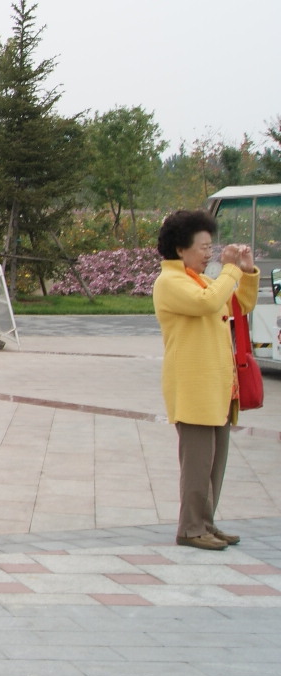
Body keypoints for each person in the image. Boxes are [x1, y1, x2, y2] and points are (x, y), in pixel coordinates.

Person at [152, 209, 258, 550]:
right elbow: (208, 303)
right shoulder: (170, 283)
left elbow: (240, 304)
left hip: (218, 387)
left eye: (211, 247)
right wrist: (229, 269)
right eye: (203, 247)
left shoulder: (202, 280)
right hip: (193, 388)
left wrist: (246, 272)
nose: (209, 253)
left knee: (214, 464)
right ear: (180, 249)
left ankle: (206, 524)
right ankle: (190, 528)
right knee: (197, 466)